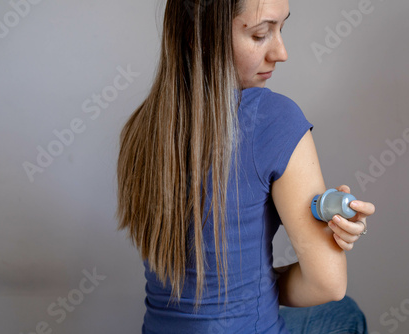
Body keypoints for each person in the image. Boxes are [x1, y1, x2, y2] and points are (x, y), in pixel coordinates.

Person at [116, 0, 376, 333]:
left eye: (281, 29)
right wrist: (330, 238)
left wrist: (239, 292)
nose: (281, 52)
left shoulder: (141, 127)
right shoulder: (272, 117)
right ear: (201, 36)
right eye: (260, 34)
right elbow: (328, 285)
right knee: (346, 314)